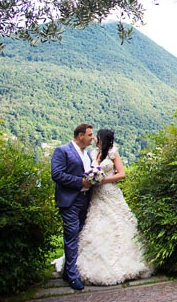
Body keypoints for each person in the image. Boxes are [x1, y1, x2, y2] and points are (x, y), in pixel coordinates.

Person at [76, 128, 152, 285]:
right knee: (96, 224)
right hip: (96, 195)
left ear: (102, 139)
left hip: (110, 192)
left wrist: (103, 180)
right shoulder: (93, 154)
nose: (95, 139)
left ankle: (122, 262)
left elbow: (122, 174)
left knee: (118, 222)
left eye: (97, 137)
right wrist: (92, 179)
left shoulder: (113, 153)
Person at [51, 123, 94, 291]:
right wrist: (80, 182)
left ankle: (68, 271)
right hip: (69, 201)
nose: (92, 138)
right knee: (72, 236)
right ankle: (73, 276)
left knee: (80, 235)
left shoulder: (87, 153)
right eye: (90, 135)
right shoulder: (62, 151)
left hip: (85, 200)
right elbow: (57, 174)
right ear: (80, 135)